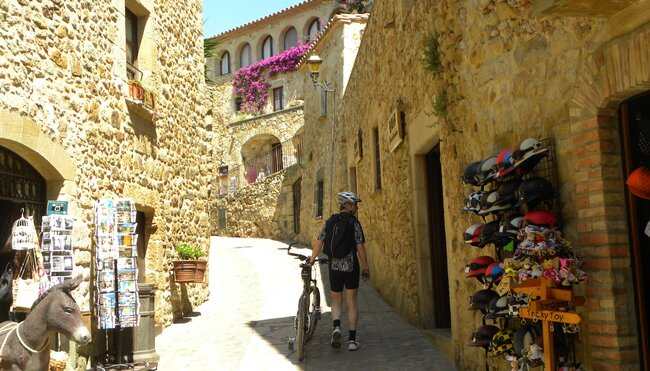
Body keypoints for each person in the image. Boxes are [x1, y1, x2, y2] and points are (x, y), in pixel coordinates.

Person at [310, 191, 369, 351]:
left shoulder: (330, 221)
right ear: (348, 205)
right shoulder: (354, 223)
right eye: (355, 204)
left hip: (333, 267)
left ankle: (336, 328)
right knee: (351, 303)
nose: (356, 207)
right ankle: (351, 341)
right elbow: (360, 246)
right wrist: (365, 266)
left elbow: (319, 241)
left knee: (336, 300)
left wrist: (312, 259)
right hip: (350, 267)